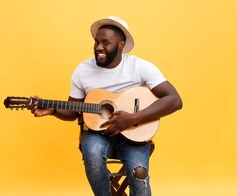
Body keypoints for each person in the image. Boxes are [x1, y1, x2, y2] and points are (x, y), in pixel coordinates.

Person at [27, 16, 182, 196]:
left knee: (139, 174)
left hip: (134, 136)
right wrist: (53, 110)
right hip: (97, 135)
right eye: (96, 42)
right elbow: (72, 111)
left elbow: (174, 100)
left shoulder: (140, 67)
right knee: (92, 155)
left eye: (106, 42)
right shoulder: (83, 71)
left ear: (121, 44)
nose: (99, 47)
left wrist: (133, 118)